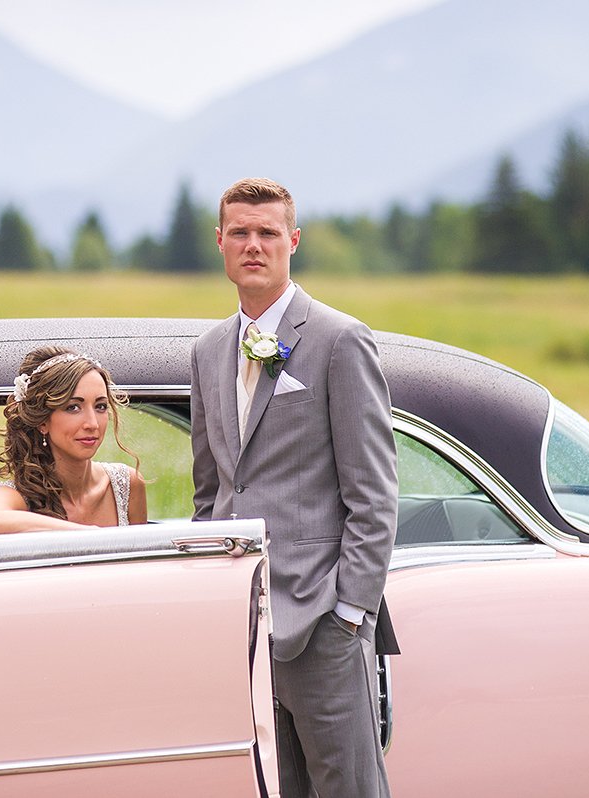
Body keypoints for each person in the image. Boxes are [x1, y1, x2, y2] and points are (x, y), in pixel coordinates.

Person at [190, 178, 399, 797]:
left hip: (324, 620)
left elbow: (374, 494)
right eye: (241, 233)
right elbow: (211, 495)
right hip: (244, 627)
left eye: (268, 233)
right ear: (220, 242)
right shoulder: (205, 351)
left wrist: (350, 612)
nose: (253, 245)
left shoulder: (340, 339)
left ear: (293, 241)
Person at [0, 346, 146, 533]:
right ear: (43, 421)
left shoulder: (128, 484)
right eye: (73, 407)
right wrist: (92, 535)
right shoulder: (14, 496)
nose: (92, 424)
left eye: (100, 406)